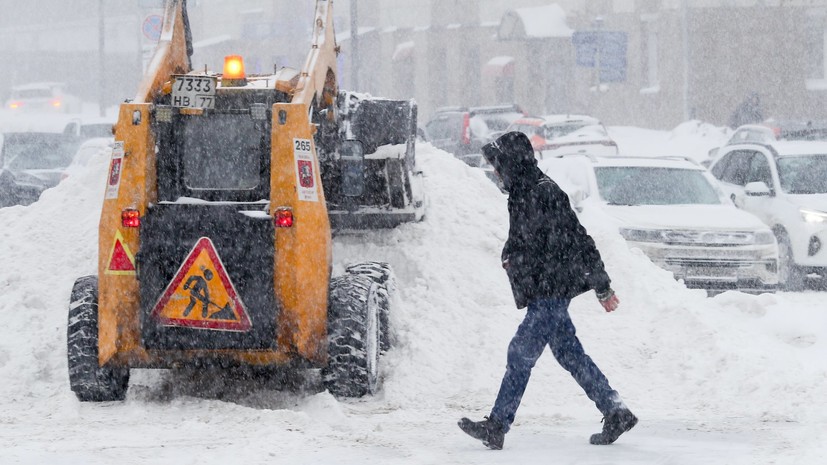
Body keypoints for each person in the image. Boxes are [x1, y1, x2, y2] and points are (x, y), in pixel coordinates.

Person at [458, 131, 637, 450]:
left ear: (513, 164)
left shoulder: (545, 192)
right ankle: (615, 410)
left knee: (520, 351)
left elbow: (580, 239)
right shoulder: (522, 192)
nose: (496, 173)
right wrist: (511, 255)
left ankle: (497, 425)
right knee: (569, 353)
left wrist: (602, 285)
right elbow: (528, 240)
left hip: (551, 288)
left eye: (499, 165)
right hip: (544, 287)